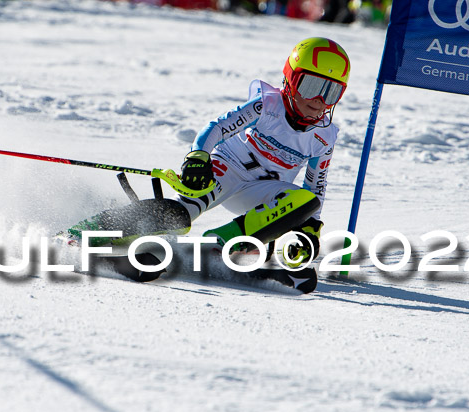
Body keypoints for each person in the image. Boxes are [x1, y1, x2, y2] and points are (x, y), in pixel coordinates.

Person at [68, 37, 350, 267]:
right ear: (290, 78)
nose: (319, 100)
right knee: (178, 215)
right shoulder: (267, 105)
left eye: (331, 92)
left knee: (307, 201)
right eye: (311, 85)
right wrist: (198, 156)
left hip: (262, 194)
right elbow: (217, 127)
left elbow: (317, 185)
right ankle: (83, 233)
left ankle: (219, 244)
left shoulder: (324, 137)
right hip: (227, 170)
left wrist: (311, 227)